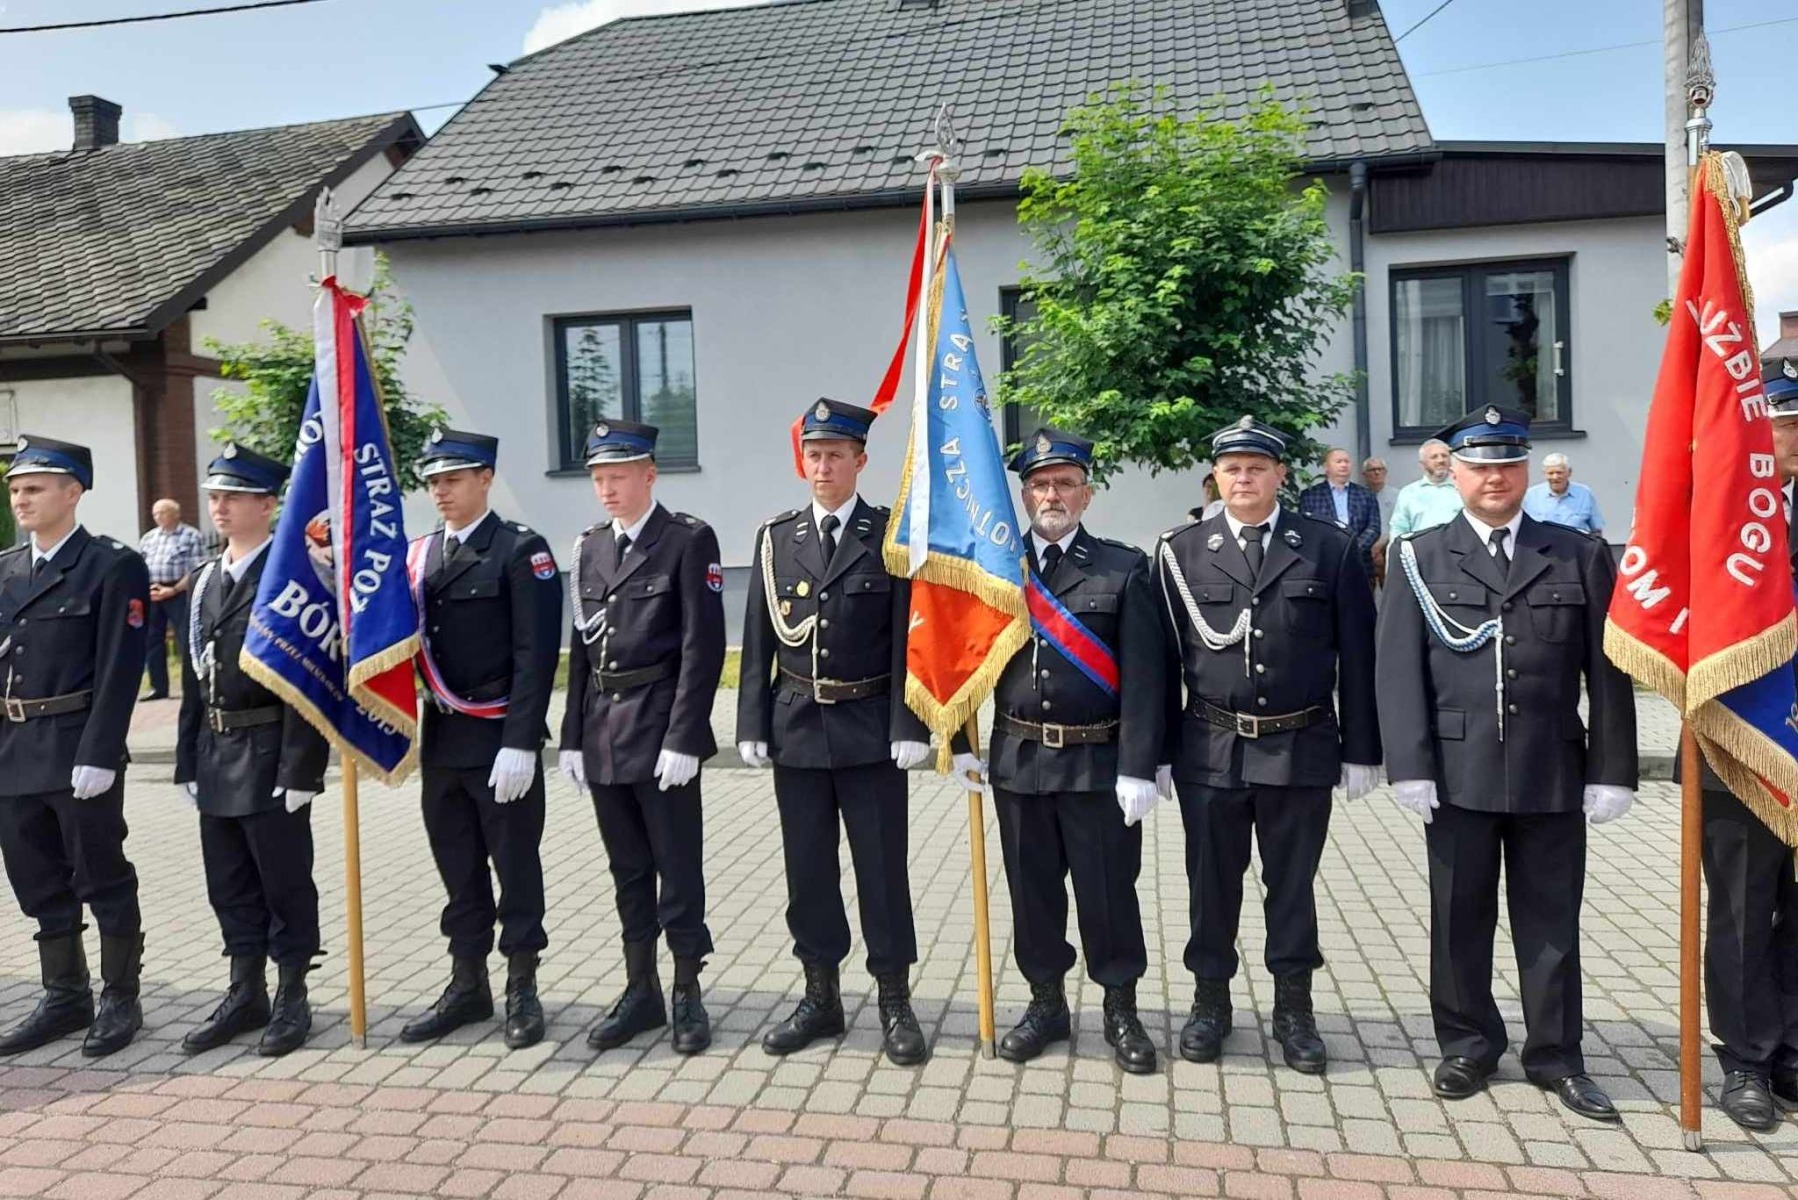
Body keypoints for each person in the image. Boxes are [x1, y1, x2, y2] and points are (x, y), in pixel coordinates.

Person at [1377, 405, 1637, 1122]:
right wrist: (1410, 762)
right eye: (1480, 466)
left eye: (1507, 465)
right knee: (1459, 916)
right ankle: (1467, 1044)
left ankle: (1556, 1055)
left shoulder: (1578, 553)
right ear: (1452, 474)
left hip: (1552, 766)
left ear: (1526, 472)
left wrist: (1613, 767)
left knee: (1550, 921)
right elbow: (1397, 669)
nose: (1495, 478)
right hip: (1456, 773)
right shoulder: (1418, 556)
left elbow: (1608, 673)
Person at [1155, 416, 1380, 1075]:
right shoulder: (1182, 551)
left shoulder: (1328, 548)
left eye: (1257, 467)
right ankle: (1210, 1002)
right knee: (1210, 886)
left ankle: (1293, 1009)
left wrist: (1364, 748)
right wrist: (1158, 754)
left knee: (1292, 887)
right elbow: (1162, 661)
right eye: (1232, 469)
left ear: (1282, 475)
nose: (1244, 478)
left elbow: (1358, 656)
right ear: (1215, 476)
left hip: (1300, 744)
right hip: (1211, 748)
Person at [737, 399, 930, 1066]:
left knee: (882, 871)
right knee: (808, 873)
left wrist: (912, 722)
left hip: (871, 729)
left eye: (835, 455)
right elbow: (758, 635)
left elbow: (911, 636)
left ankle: (894, 1000)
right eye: (813, 455)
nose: (822, 466)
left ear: (859, 462)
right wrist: (750, 724)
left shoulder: (889, 536)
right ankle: (821, 996)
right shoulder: (776, 538)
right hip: (796, 729)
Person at [986, 428, 1164, 1073]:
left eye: (1064, 483)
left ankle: (1120, 1007)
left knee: (1109, 891)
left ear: (1086, 494)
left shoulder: (1123, 567)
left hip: (1097, 763)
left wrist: (1141, 765)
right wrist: (963, 743)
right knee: (1032, 893)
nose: (1051, 494)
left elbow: (1148, 676)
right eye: (1039, 484)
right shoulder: (997, 566)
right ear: (1025, 495)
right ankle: (1045, 1004)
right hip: (1018, 758)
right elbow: (962, 658)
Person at [560, 420, 725, 1056]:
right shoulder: (589, 548)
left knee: (677, 869)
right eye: (599, 478)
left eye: (619, 475)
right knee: (628, 870)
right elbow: (580, 650)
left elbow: (701, 646)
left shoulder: (686, 540)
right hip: (604, 733)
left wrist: (686, 737)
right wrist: (571, 735)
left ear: (649, 474)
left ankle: (687, 990)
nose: (607, 488)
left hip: (661, 731)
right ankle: (641, 989)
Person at [400, 429, 563, 1052]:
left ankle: (522, 985)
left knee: (516, 869)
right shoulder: (419, 557)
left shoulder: (521, 552)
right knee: (459, 872)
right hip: (442, 741)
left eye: (454, 479)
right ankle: (468, 984)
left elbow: (536, 654)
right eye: (434, 481)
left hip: (500, 742)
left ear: (485, 480)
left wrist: (522, 741)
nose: (441, 491)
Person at [175, 445, 329, 1057]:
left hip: (271, 750)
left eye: (233, 497)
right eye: (214, 496)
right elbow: (194, 674)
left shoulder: (292, 575)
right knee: (229, 880)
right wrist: (186, 758)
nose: (219, 507)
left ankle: (293, 994)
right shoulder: (208, 577)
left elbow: (309, 677)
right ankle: (246, 990)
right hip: (217, 748)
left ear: (267, 505)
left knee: (284, 881)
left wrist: (301, 768)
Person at [0, 435, 151, 1058]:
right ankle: (66, 995)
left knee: (100, 873)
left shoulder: (110, 565)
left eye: (33, 488)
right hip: (13, 749)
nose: (20, 499)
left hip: (74, 748)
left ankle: (121, 998)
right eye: (15, 489)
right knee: (35, 877)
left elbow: (121, 666)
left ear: (73, 491)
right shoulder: (7, 568)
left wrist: (100, 751)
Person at [1685, 358, 1798, 1130]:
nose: (1792, 435)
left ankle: (1791, 1047)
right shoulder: (1713, 515)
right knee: (1741, 909)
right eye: (1784, 419)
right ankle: (1746, 1058)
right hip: (1742, 744)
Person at [138, 497, 205, 701]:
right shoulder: (149, 538)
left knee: (185, 639)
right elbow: (141, 565)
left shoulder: (191, 536)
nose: (157, 517)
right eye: (155, 513)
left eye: (162, 512)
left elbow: (196, 569)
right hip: (153, 591)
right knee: (152, 639)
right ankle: (158, 687)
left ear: (175, 513)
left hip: (179, 591)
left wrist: (174, 589)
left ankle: (190, 687)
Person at [1296, 447, 1380, 577]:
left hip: (1359, 562)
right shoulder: (1311, 495)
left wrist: (1353, 548)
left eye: (1347, 461)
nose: (1343, 465)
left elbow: (1374, 527)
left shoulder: (1365, 494)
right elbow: (1306, 527)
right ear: (1326, 466)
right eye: (1339, 461)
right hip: (1324, 562)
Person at [1387, 439, 1462, 538]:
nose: (1441, 460)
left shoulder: (1462, 489)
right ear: (1422, 464)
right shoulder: (1409, 493)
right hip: (1420, 550)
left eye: (1444, 456)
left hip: (1458, 549)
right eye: (1434, 457)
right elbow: (1398, 528)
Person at [1523, 453, 1605, 537]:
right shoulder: (1531, 495)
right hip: (1542, 546)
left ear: (1569, 472)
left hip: (1577, 546)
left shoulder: (1584, 493)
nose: (1555, 477)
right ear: (1544, 474)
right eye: (1550, 473)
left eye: (1559, 472)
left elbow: (1597, 529)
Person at [1362, 457, 1395, 585]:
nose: (1377, 473)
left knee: (1390, 589)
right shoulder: (1359, 495)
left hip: (1388, 548)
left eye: (1380, 469)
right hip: (1364, 549)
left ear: (1385, 472)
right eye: (1372, 470)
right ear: (1364, 475)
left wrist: (1379, 546)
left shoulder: (1397, 495)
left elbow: (1397, 525)